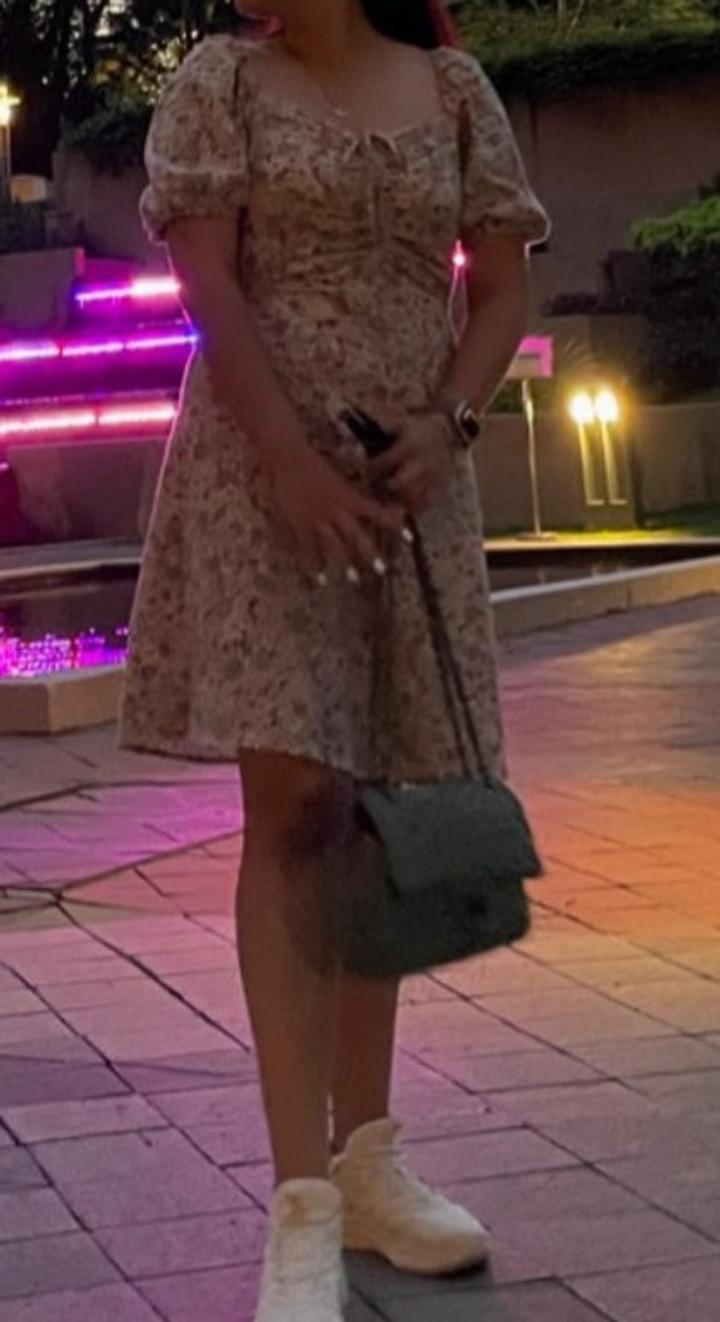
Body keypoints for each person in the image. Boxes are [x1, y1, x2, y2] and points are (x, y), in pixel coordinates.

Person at [119, 2, 549, 1317]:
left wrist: (450, 423)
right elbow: (209, 287)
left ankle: (370, 1161)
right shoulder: (221, 85)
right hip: (264, 479)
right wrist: (292, 466)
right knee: (298, 812)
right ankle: (300, 1200)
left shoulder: (454, 90)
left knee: (389, 812)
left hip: (412, 486)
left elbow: (501, 285)